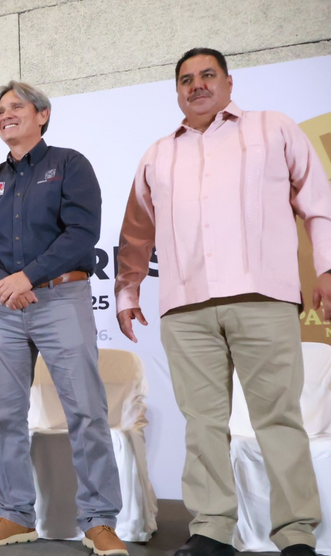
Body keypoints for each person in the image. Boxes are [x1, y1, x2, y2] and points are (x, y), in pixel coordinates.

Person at [116, 48, 327, 556]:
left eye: (207, 75)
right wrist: (127, 290)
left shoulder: (273, 128)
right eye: (186, 79)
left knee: (278, 418)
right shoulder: (158, 155)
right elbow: (136, 231)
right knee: (203, 425)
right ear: (177, 92)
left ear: (229, 83)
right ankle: (211, 530)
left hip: (263, 298)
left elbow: (318, 201)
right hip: (186, 308)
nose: (197, 85)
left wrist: (326, 267)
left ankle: (296, 533)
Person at [0, 81, 127, 554]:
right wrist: (3, 282)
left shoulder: (70, 164)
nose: (6, 114)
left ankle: (99, 520)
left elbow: (81, 233)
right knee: (5, 415)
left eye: (16, 106)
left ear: (43, 115)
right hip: (5, 308)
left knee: (86, 411)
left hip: (60, 299)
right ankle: (15, 514)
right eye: (0, 110)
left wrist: (26, 277)